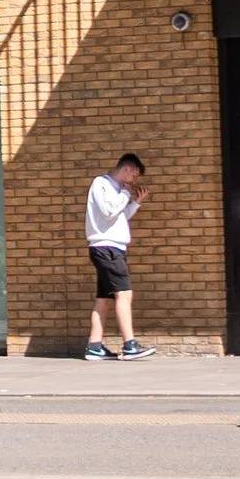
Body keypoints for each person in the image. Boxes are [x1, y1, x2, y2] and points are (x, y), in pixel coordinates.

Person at [85, 150, 148, 360]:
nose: (132, 181)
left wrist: (135, 203)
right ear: (126, 168)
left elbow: (118, 218)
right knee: (124, 294)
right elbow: (109, 211)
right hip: (107, 248)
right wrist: (124, 194)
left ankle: (94, 346)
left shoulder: (117, 190)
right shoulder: (101, 184)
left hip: (113, 247)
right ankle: (130, 345)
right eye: (133, 176)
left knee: (104, 298)